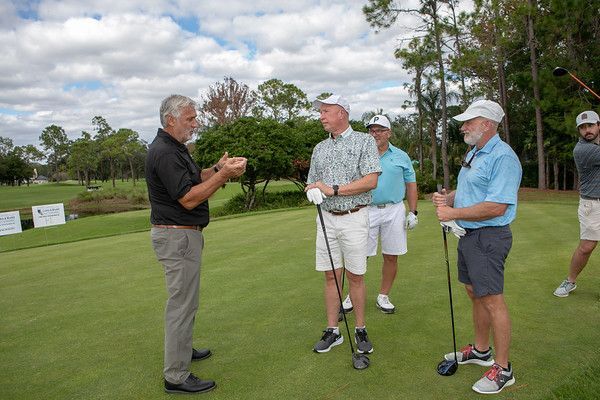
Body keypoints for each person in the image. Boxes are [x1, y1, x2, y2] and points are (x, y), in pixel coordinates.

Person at [146, 94, 247, 394]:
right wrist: (225, 176)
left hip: (182, 235)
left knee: (187, 301)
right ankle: (175, 376)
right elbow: (189, 198)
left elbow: (194, 180)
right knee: (181, 304)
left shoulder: (175, 149)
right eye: (190, 119)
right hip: (176, 236)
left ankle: (183, 350)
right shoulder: (164, 152)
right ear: (171, 120)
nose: (195, 124)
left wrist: (216, 169)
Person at [432, 100, 522, 395]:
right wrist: (449, 198)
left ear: (487, 124)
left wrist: (452, 213)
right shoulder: (475, 152)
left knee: (492, 299)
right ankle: (482, 351)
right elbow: (472, 190)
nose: (463, 127)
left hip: (489, 237)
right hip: (469, 235)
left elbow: (497, 206)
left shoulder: (503, 157)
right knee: (475, 292)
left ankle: (504, 369)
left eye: (469, 122)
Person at [305, 94, 381, 355]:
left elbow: (371, 181)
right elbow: (312, 181)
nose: (321, 116)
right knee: (330, 275)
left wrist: (334, 190)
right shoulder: (319, 148)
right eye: (321, 112)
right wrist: (312, 190)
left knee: (355, 276)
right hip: (326, 218)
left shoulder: (364, 141)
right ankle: (333, 330)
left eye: (326, 111)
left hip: (354, 216)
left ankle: (360, 329)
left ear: (342, 113)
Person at [341, 115, 418, 314]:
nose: (375, 134)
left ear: (388, 133)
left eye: (380, 130)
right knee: (359, 255)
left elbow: (411, 184)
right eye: (372, 130)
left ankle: (383, 296)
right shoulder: (360, 154)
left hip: (394, 210)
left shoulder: (401, 156)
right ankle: (352, 294)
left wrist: (413, 211)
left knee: (391, 256)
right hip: (365, 209)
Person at [553, 110, 600, 297]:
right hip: (592, 204)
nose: (587, 130)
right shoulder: (582, 150)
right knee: (587, 246)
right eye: (582, 127)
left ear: (598, 125)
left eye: (590, 125)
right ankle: (570, 281)